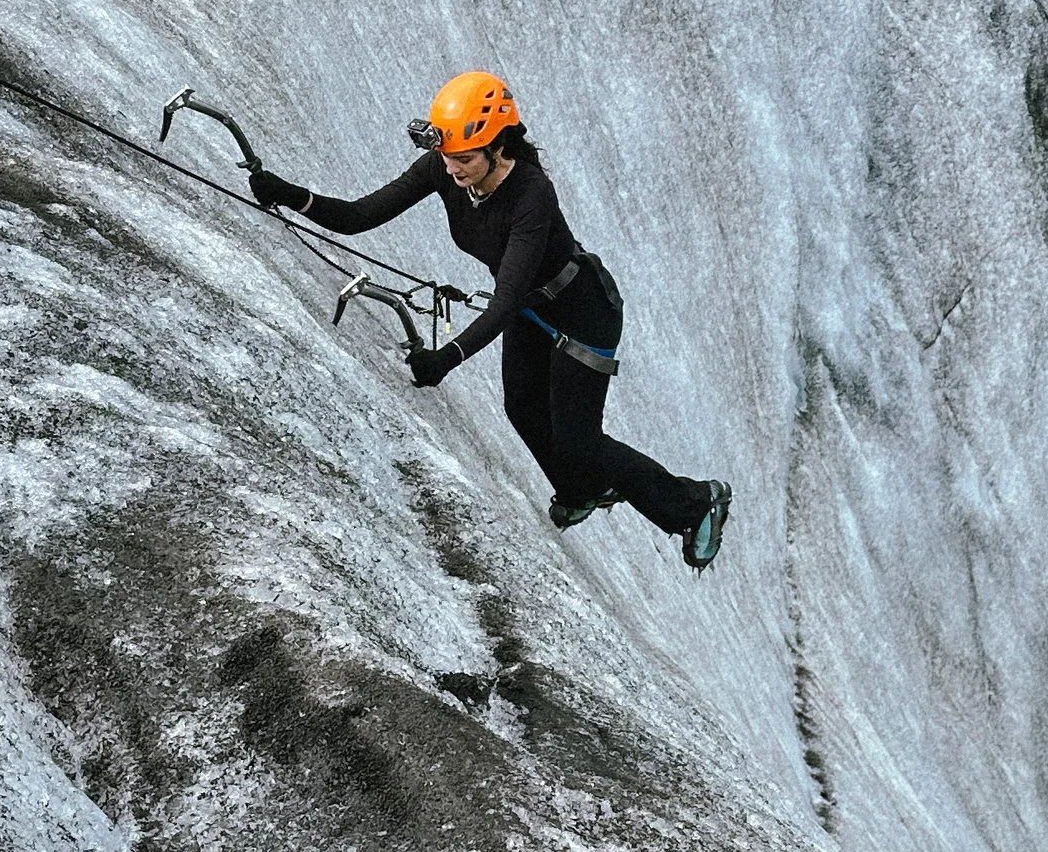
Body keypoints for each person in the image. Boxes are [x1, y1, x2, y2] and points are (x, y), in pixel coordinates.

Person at [251, 71, 732, 570]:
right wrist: (290, 194)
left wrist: (446, 358)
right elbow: (358, 216)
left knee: (579, 439)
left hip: (583, 311)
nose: (453, 169)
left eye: (464, 158)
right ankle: (581, 489)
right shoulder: (443, 167)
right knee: (522, 408)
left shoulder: (531, 194)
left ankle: (695, 504)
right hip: (529, 306)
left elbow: (503, 303)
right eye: (448, 157)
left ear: (499, 146)